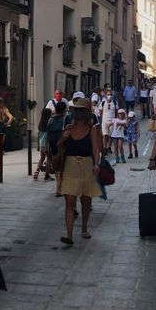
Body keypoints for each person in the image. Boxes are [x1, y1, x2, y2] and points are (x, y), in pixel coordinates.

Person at [57, 98, 102, 245]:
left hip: (86, 165)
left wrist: (97, 164)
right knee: (70, 202)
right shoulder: (69, 128)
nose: (78, 113)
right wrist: (63, 138)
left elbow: (96, 148)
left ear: (87, 113)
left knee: (85, 200)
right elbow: (58, 146)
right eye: (76, 110)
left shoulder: (92, 129)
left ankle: (84, 228)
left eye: (81, 111)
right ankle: (69, 234)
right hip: (70, 165)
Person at [46, 101, 68, 197]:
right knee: (63, 168)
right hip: (63, 147)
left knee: (56, 169)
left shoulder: (50, 120)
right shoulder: (65, 120)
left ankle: (58, 188)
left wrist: (47, 147)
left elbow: (47, 134)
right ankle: (60, 188)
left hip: (53, 147)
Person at [34, 108, 54, 181]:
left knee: (42, 158)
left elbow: (39, 135)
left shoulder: (41, 123)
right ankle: (47, 174)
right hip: (47, 143)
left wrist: (38, 146)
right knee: (49, 158)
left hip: (41, 143)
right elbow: (49, 134)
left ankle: (37, 171)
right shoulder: (50, 122)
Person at [100, 89, 117, 154]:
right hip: (104, 121)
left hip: (112, 121)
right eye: (108, 94)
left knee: (110, 136)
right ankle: (104, 148)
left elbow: (116, 111)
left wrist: (115, 120)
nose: (109, 96)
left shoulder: (115, 102)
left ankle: (109, 147)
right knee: (104, 135)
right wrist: (102, 119)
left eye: (110, 94)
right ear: (106, 95)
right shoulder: (103, 103)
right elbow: (100, 111)